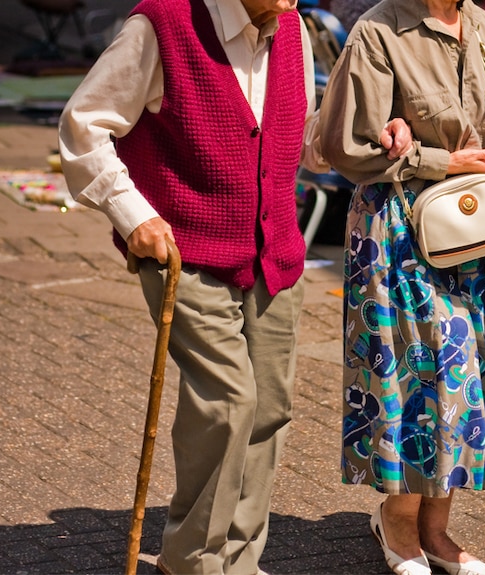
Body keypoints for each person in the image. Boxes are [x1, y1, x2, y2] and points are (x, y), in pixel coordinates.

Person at [58, 0, 410, 573]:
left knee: (269, 408)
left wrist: (370, 134)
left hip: (272, 252)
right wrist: (133, 215)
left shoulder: (292, 28)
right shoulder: (162, 26)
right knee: (228, 403)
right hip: (184, 253)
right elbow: (84, 125)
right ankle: (192, 561)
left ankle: (239, 560)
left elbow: (303, 141)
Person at [317, 1, 485, 574]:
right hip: (400, 232)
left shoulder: (479, 23)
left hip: (474, 224)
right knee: (419, 375)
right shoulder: (378, 31)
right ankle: (399, 522)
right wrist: (438, 160)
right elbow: (344, 145)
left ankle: (436, 529)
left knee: (468, 377)